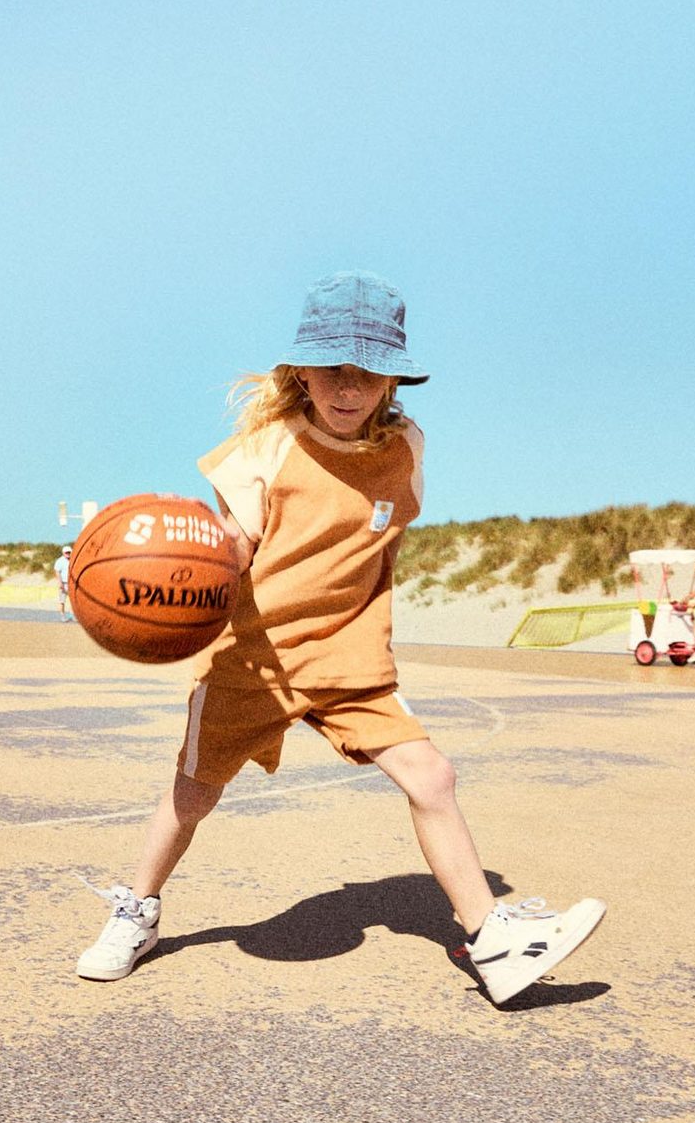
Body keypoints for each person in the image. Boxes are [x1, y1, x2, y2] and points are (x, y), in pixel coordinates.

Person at [76, 271, 607, 1006]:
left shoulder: (407, 448)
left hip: (351, 658)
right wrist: (164, 583)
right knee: (193, 796)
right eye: (332, 369)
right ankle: (138, 911)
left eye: (367, 371)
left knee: (433, 779)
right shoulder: (266, 447)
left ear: (392, 377)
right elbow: (229, 546)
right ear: (302, 370)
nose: (349, 388)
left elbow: (372, 544)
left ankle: (491, 940)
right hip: (258, 662)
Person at [54, 544, 74, 620]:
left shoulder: (72, 560)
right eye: (66, 552)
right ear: (63, 553)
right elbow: (57, 572)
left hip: (70, 583)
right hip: (63, 583)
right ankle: (62, 616)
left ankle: (71, 615)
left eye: (69, 552)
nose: (68, 554)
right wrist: (60, 583)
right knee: (62, 601)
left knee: (72, 601)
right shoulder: (60, 561)